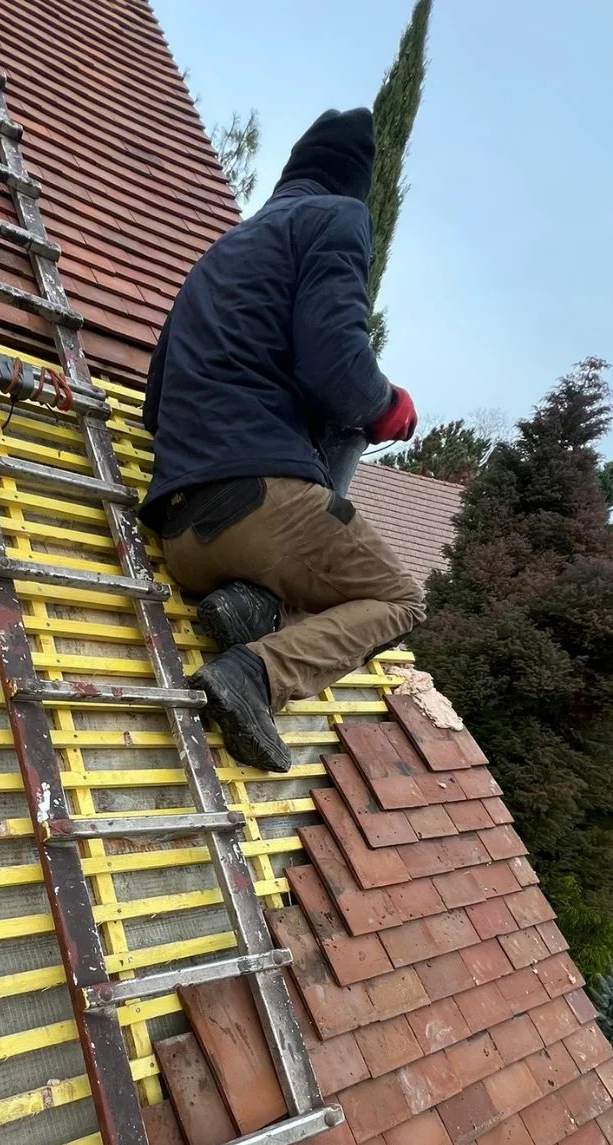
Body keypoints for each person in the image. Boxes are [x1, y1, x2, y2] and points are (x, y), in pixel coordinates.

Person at [140, 107, 425, 773]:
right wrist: (386, 407)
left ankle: (253, 605)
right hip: (258, 503)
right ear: (354, 184)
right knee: (398, 600)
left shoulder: (224, 251)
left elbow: (156, 406)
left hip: (183, 536)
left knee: (311, 566)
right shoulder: (338, 219)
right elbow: (337, 367)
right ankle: (256, 674)